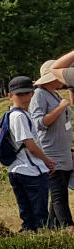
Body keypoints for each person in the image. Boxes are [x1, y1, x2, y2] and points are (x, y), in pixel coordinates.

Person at [2, 76, 55, 231]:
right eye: (20, 94)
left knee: (27, 215)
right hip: (30, 171)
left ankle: (29, 240)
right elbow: (30, 145)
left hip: (17, 169)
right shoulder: (19, 116)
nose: (25, 98)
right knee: (40, 217)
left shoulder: (13, 114)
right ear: (10, 96)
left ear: (32, 93)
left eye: (27, 93)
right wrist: (47, 161)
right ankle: (42, 241)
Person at [31, 52, 74, 228]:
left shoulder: (55, 94)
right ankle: (68, 226)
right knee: (58, 194)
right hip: (51, 152)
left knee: (60, 191)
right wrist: (60, 108)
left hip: (63, 151)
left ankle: (51, 226)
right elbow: (40, 123)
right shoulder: (39, 95)